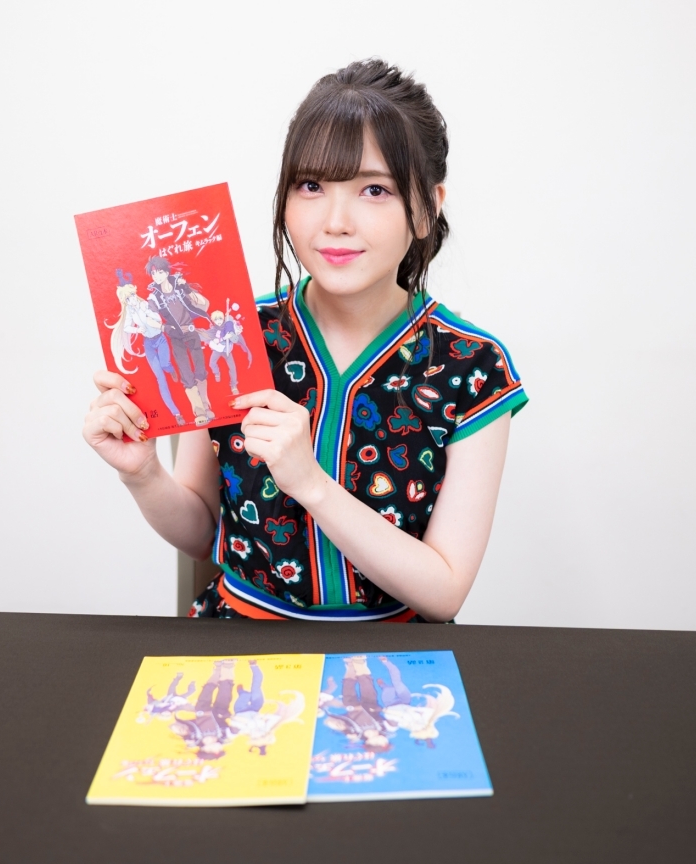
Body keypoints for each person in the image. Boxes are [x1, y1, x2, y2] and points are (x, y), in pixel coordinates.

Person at [82, 59, 528, 622]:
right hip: (238, 642)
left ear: (427, 208)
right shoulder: (230, 334)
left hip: (395, 653)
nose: (335, 221)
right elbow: (203, 533)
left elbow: (444, 592)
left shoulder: (472, 366)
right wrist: (142, 473)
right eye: (312, 186)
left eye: (374, 189)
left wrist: (310, 483)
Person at [145, 256, 215, 426]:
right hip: (175, 336)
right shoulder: (154, 297)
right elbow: (149, 318)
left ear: (166, 271)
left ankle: (205, 404)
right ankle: (198, 410)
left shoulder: (179, 285)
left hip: (191, 331)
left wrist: (187, 289)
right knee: (185, 372)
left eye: (159, 272)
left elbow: (203, 304)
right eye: (153, 274)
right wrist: (164, 328)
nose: (157, 276)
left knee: (200, 369)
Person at [106, 278, 186, 425]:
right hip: (148, 343)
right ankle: (176, 413)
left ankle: (170, 369)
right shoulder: (130, 311)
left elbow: (158, 320)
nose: (131, 300)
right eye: (127, 299)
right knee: (160, 378)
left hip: (160, 339)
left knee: (165, 364)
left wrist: (148, 313)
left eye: (132, 296)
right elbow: (126, 327)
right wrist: (137, 329)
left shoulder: (146, 304)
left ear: (135, 293)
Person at [206, 306, 253, 395]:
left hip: (227, 350)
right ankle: (217, 372)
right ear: (213, 321)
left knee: (232, 367)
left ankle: (233, 386)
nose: (218, 321)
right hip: (218, 350)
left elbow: (235, 331)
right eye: (216, 319)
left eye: (220, 318)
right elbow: (215, 340)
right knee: (211, 363)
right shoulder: (213, 330)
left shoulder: (228, 325)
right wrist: (224, 337)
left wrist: (235, 329)